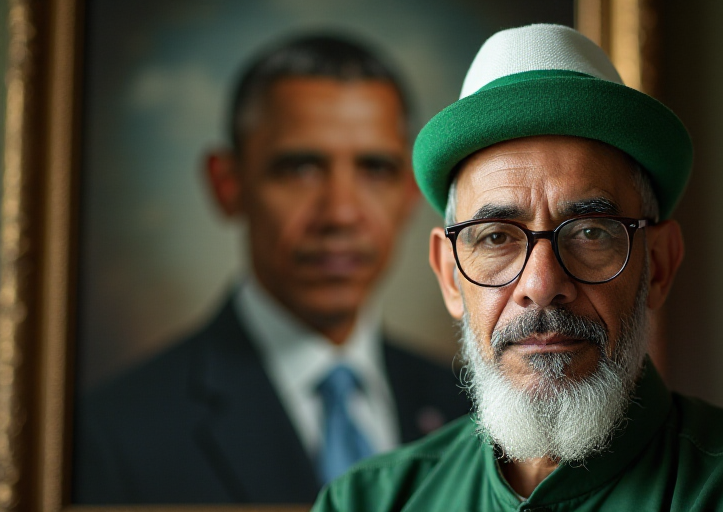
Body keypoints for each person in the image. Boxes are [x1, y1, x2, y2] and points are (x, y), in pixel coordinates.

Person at [313, 24, 723, 511]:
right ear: (449, 276)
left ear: (661, 264)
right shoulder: (367, 502)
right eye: (497, 237)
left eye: (591, 233)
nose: (541, 285)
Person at [73, 34, 470, 504]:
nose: (341, 213)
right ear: (227, 183)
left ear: (410, 190)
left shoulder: (470, 410)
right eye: (300, 168)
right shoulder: (113, 434)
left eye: (374, 169)